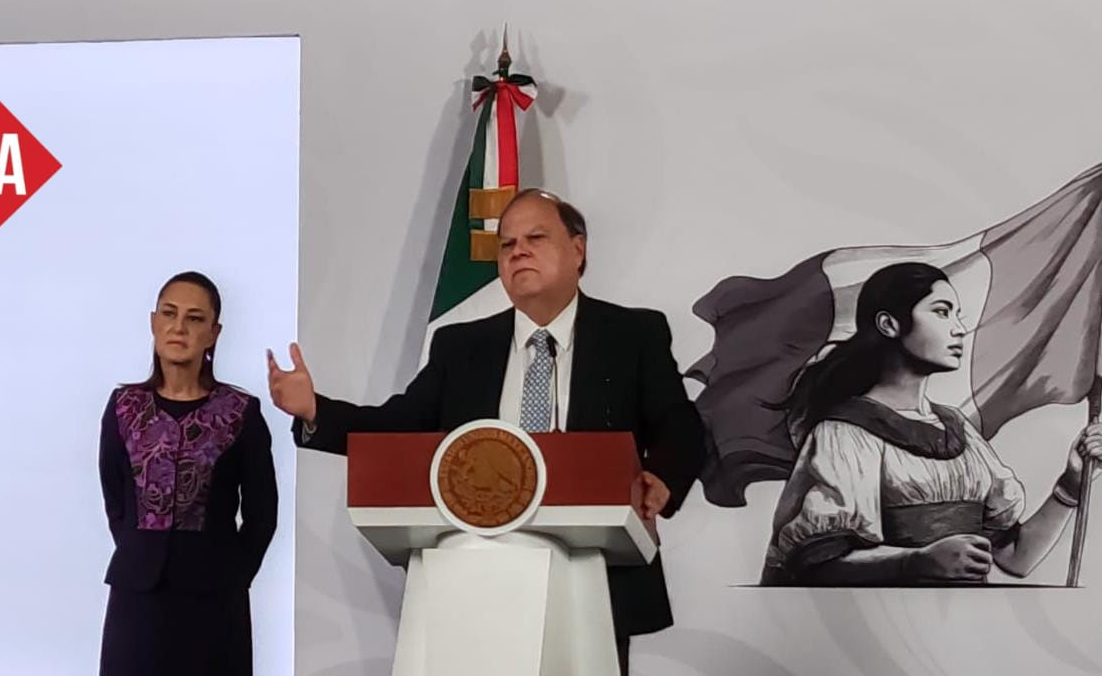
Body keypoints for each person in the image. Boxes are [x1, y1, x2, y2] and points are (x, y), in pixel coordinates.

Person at [267, 188, 706, 676]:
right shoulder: (460, 346)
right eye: (507, 244)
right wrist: (315, 410)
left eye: (535, 238)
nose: (518, 252)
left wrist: (663, 475)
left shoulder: (633, 334)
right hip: (474, 575)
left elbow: (679, 423)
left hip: (595, 573)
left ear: (578, 249)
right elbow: (398, 427)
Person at [761, 262, 1102, 586]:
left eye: (957, 314)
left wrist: (1071, 484)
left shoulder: (959, 430)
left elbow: (1016, 558)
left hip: (968, 621)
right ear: (889, 325)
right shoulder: (845, 433)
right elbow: (817, 567)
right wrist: (917, 561)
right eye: (941, 312)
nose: (959, 328)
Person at [98, 271, 278, 676]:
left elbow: (262, 514)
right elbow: (115, 500)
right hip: (136, 596)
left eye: (194, 318)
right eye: (169, 313)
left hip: (215, 600)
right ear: (153, 323)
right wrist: (140, 550)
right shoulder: (125, 408)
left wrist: (233, 576)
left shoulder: (239, 412)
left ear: (213, 333)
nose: (179, 327)